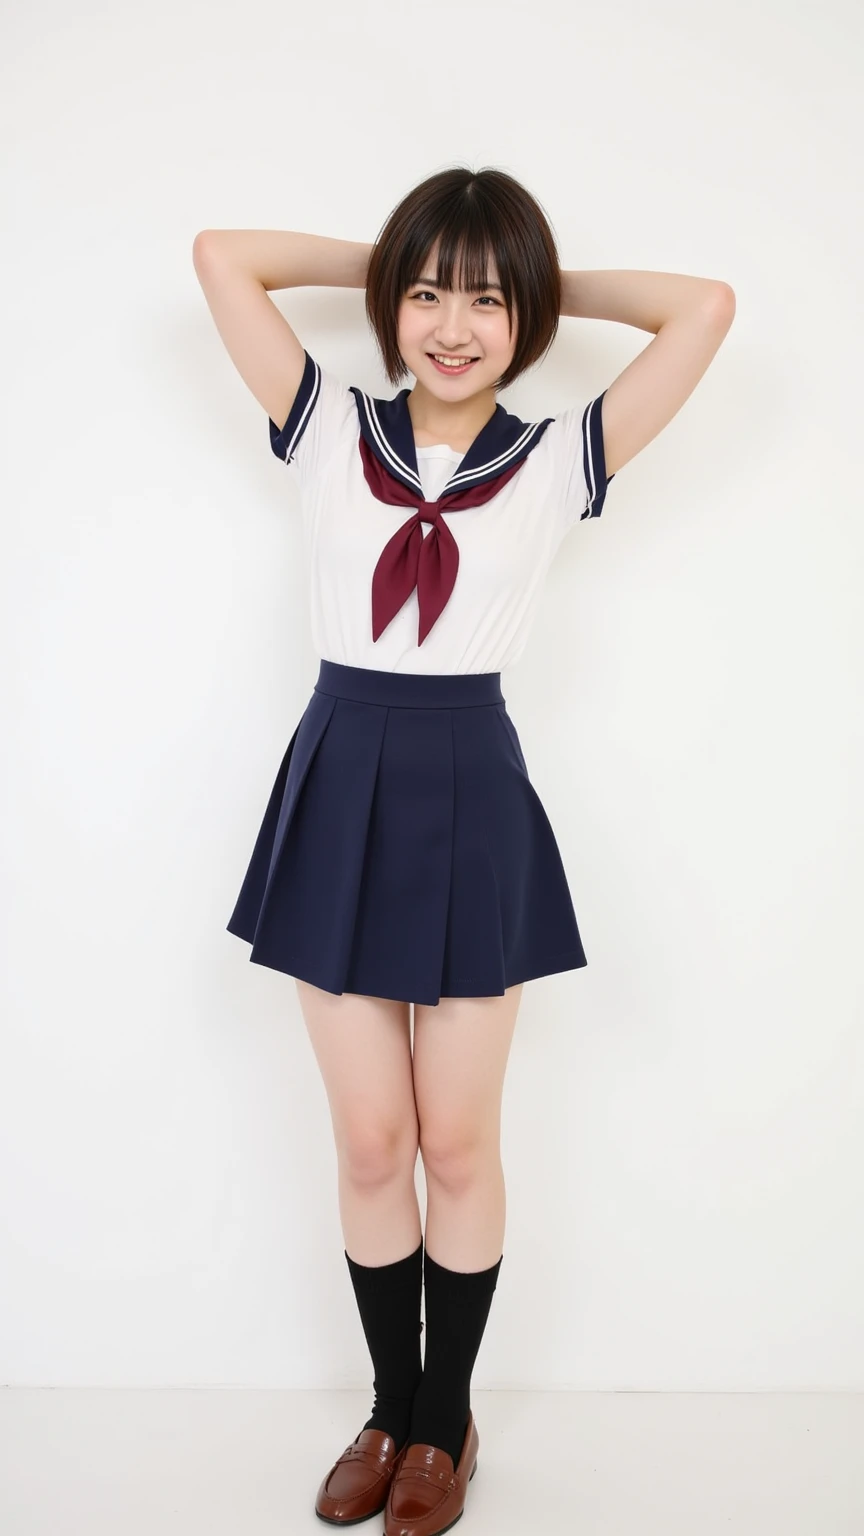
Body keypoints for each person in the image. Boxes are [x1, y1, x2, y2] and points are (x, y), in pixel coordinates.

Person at [192, 165, 735, 1535]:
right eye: (428, 293)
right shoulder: (326, 427)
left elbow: (706, 309)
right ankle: (388, 1406)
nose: (452, 324)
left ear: (524, 317)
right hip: (340, 779)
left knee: (456, 1135)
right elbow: (221, 255)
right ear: (392, 301)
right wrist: (393, 252)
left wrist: (547, 276)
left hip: (471, 793)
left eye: (488, 301)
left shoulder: (558, 458)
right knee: (372, 1141)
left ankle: (447, 1422)